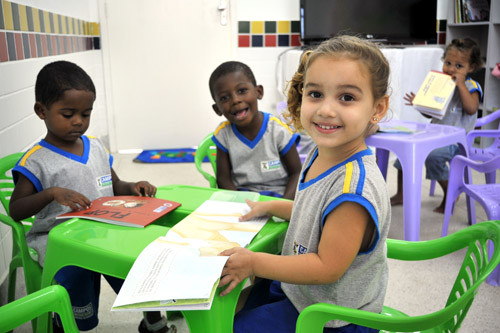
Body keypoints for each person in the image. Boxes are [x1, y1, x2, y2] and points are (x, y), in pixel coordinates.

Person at [218, 35, 391, 332]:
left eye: (346, 97)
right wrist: (273, 205)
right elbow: (314, 211)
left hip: (331, 317)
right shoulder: (322, 153)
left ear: (377, 108)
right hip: (301, 292)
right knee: (225, 305)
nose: (325, 109)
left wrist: (255, 263)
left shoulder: (352, 191)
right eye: (315, 94)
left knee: (235, 327)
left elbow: (326, 267)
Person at [9, 61, 175, 333]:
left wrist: (134, 186)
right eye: (68, 114)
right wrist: (51, 193)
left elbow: (114, 183)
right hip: (62, 240)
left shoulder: (95, 146)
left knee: (138, 264)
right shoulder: (36, 161)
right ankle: (64, 324)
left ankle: (153, 323)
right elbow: (16, 210)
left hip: (105, 230)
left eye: (85, 114)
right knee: (76, 285)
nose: (78, 121)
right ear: (42, 111)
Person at [391, 38, 483, 213]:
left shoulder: (471, 86)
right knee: (405, 152)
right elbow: (430, 113)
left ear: (470, 68)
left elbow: (471, 109)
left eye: (459, 66)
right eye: (448, 63)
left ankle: (450, 193)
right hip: (435, 133)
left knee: (434, 156)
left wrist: (461, 85)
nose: (451, 69)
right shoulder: (441, 85)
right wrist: (420, 103)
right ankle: (401, 193)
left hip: (456, 141)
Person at [209, 61, 302, 200]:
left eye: (241, 91)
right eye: (224, 98)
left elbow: (297, 173)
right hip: (242, 197)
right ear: (217, 109)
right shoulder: (223, 134)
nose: (235, 100)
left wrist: (283, 204)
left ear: (258, 92)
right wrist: (238, 203)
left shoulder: (278, 131)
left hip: (279, 197)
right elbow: (223, 179)